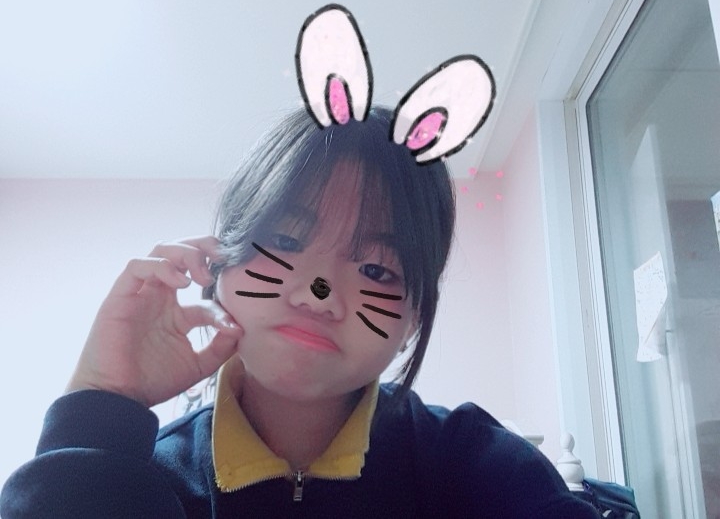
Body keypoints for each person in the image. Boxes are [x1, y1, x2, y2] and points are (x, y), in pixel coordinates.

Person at [0, 106, 599, 518]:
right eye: (285, 241)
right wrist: (100, 403)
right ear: (217, 262)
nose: (317, 293)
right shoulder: (132, 479)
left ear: (413, 319)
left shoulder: (474, 463)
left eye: (376, 271)